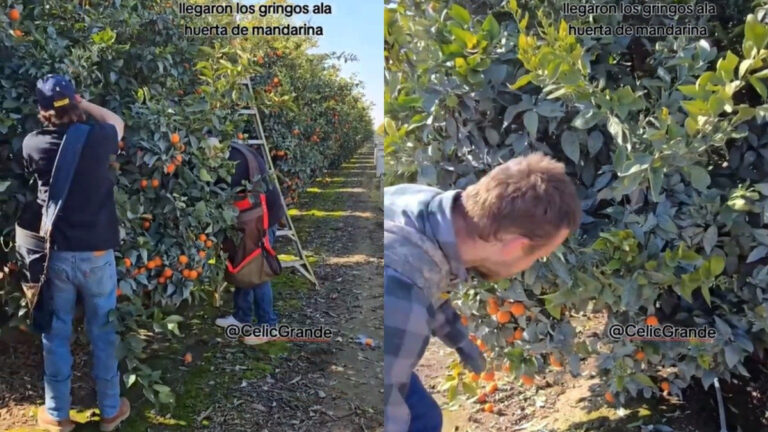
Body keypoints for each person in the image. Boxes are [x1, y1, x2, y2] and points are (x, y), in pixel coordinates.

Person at [383, 152, 581, 432]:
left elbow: (433, 290)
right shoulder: (402, 295)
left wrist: (461, 341)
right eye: (538, 256)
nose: (533, 264)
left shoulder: (428, 209)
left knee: (425, 416)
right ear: (515, 246)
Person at [20, 75, 130, 431]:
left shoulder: (32, 144)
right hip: (97, 255)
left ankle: (57, 414)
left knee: (56, 334)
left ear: (42, 110)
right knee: (104, 333)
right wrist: (84, 104)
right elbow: (116, 121)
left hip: (56, 256)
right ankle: (110, 410)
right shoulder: (99, 138)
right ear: (74, 102)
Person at [214, 140, 285, 345]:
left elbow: (218, 195)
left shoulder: (232, 162)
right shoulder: (232, 151)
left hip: (262, 219)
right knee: (243, 264)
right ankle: (241, 317)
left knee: (257, 269)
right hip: (251, 217)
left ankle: (268, 326)